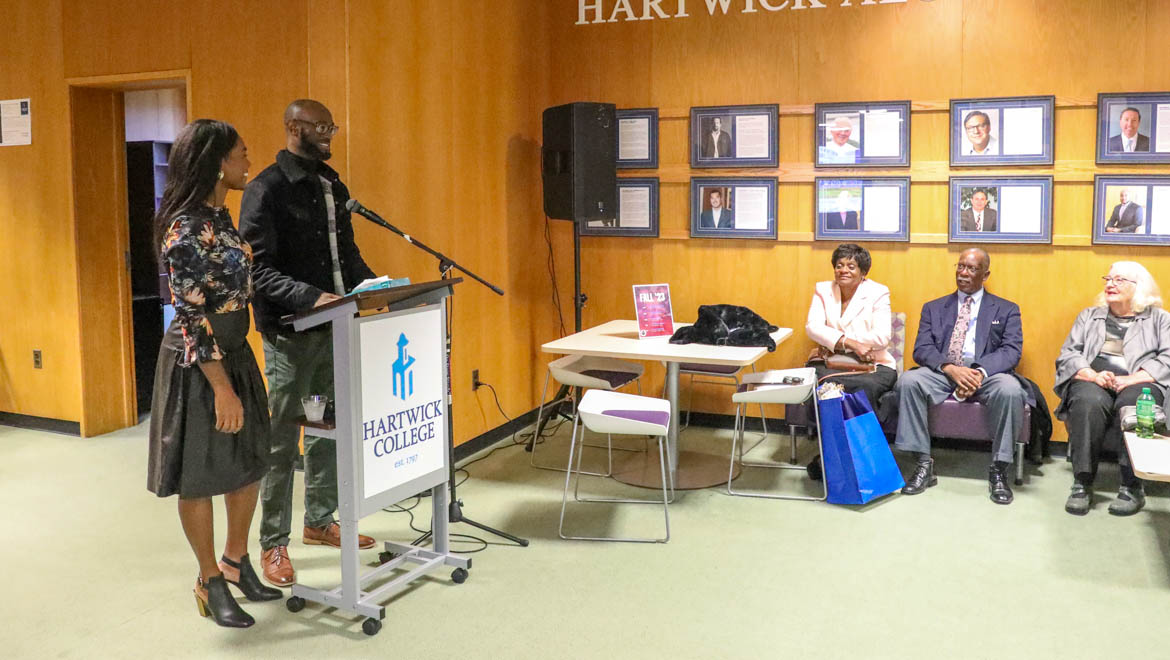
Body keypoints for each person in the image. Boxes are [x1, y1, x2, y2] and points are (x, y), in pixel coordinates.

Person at [147, 119, 281, 628]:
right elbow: (190, 315)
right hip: (198, 362)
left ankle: (236, 559)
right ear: (218, 163)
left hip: (235, 348)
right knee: (200, 473)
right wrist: (221, 388)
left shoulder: (222, 217)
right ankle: (208, 579)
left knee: (248, 460)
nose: (249, 162)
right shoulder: (184, 228)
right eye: (242, 154)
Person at [239, 99, 378, 588]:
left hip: (335, 330)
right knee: (283, 441)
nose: (330, 135)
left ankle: (319, 521)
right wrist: (310, 296)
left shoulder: (332, 183)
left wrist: (373, 287)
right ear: (293, 127)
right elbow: (255, 270)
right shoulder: (266, 190)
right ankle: (272, 543)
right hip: (291, 336)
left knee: (324, 427)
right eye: (321, 127)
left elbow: (346, 254)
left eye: (332, 126)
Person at [894, 248, 1029, 505]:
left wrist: (977, 373)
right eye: (960, 267)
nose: (963, 273)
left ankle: (999, 469)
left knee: (1011, 390)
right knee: (909, 382)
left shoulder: (1006, 309)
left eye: (971, 269)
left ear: (985, 274)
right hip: (944, 371)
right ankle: (923, 464)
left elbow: (1012, 351)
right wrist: (949, 368)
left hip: (987, 373)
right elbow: (921, 349)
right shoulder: (933, 308)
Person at [1053, 262, 1170, 516]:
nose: (1110, 284)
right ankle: (1082, 483)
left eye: (1119, 280)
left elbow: (1168, 358)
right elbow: (1068, 354)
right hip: (1095, 379)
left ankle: (1131, 485)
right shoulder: (1089, 316)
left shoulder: (1160, 319)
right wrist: (1092, 375)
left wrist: (1133, 378)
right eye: (1109, 279)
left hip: (1141, 382)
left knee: (1136, 405)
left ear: (1139, 287)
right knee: (1086, 401)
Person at [805, 243, 897, 409]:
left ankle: (861, 434)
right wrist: (851, 344)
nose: (843, 270)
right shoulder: (823, 289)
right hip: (830, 362)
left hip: (873, 364)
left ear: (863, 272)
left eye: (851, 266)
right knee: (818, 383)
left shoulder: (878, 292)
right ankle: (831, 433)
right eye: (839, 266)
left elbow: (881, 337)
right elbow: (812, 327)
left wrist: (832, 338)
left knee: (866, 388)